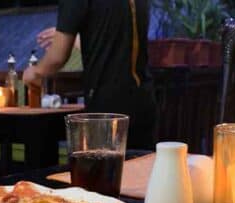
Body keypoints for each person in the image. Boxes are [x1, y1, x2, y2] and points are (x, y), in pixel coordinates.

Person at [23, 0, 157, 150]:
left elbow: (57, 57)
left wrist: (35, 72)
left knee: (103, 170)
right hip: (143, 101)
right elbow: (119, 41)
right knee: (140, 168)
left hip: (107, 107)